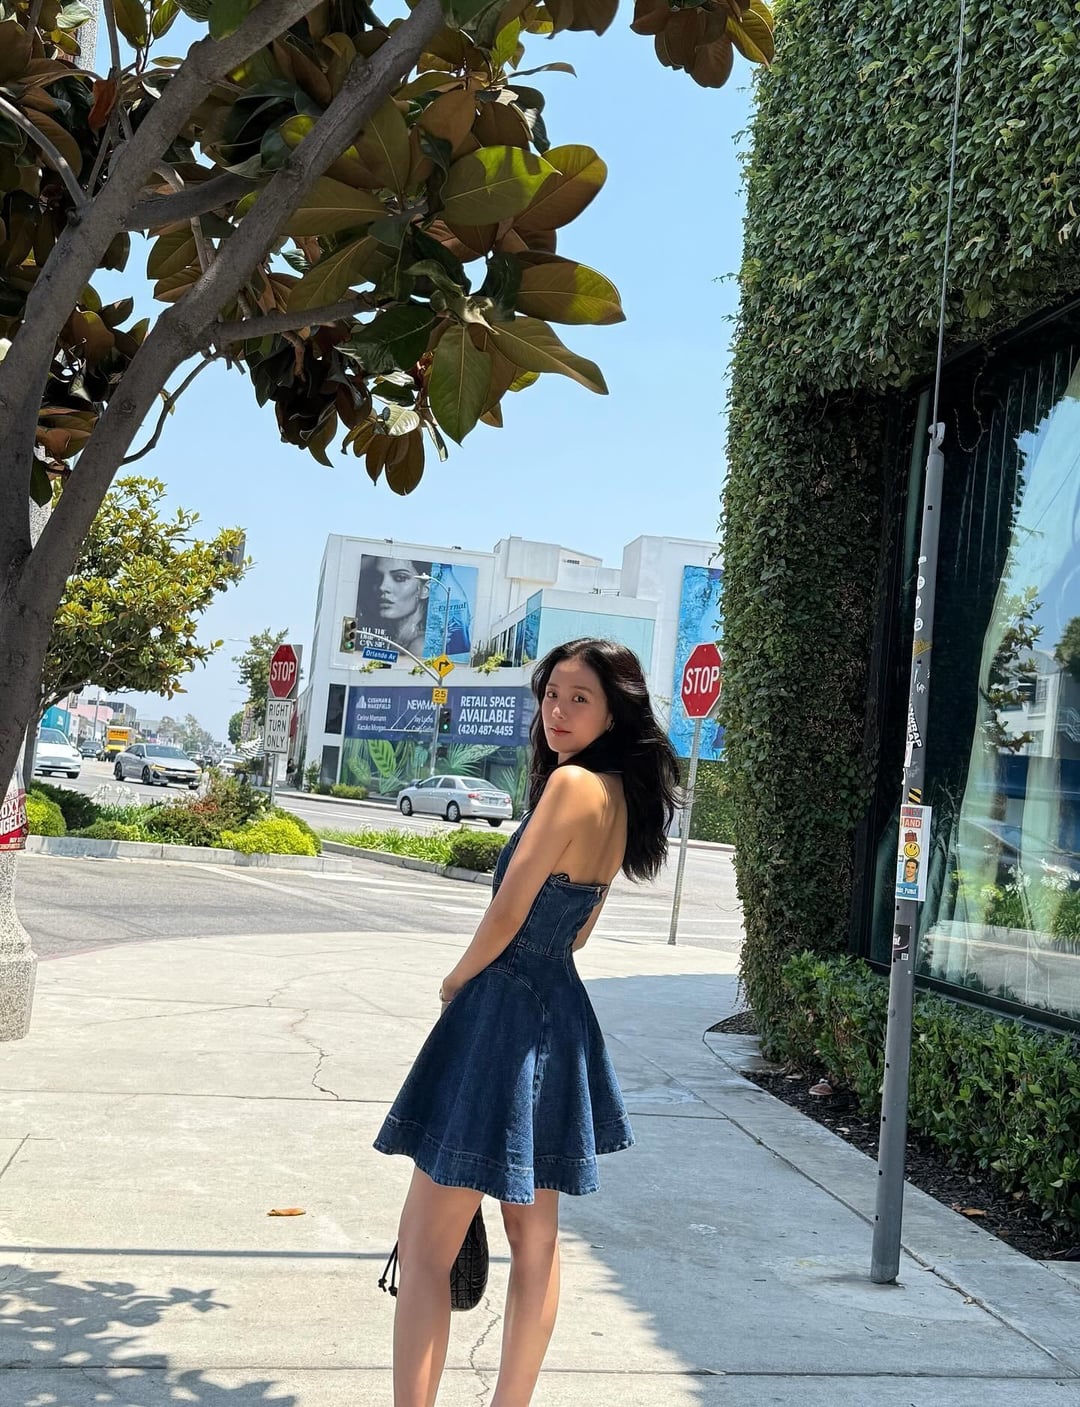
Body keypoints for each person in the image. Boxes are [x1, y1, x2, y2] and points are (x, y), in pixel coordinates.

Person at [374, 638, 680, 1407]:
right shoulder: (617, 799)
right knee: (535, 1241)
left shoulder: (569, 785)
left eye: (580, 697)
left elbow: (509, 907)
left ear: (613, 712)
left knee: (425, 1244)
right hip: (559, 1016)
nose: (558, 710)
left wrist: (457, 980)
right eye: (551, 695)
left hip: (502, 1015)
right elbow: (579, 934)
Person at [359, 556, 431, 656]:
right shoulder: (389, 638)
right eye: (378, 577)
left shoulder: (420, 646)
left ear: (425, 589)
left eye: (400, 578)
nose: (382, 587)